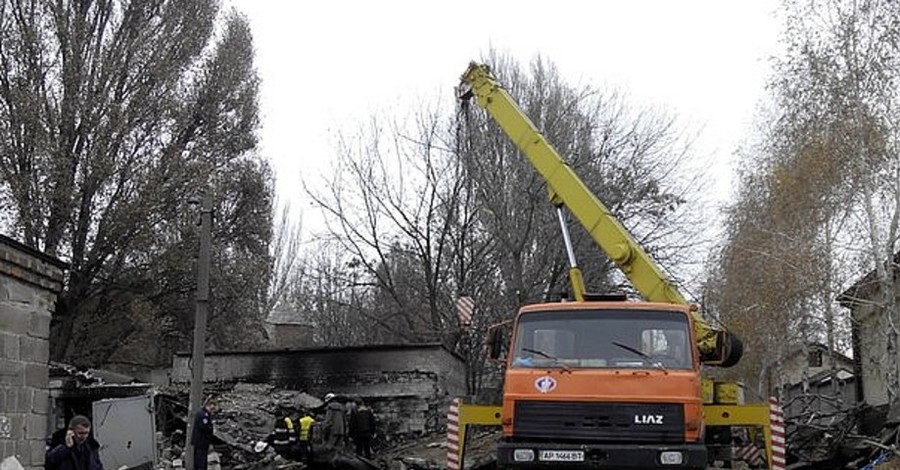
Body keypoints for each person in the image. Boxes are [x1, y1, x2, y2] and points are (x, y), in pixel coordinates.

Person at [191, 397, 216, 470]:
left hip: (200, 442)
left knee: (200, 460)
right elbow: (205, 427)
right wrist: (211, 428)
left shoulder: (203, 413)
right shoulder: (203, 415)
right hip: (201, 442)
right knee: (201, 461)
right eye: (212, 407)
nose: (213, 410)